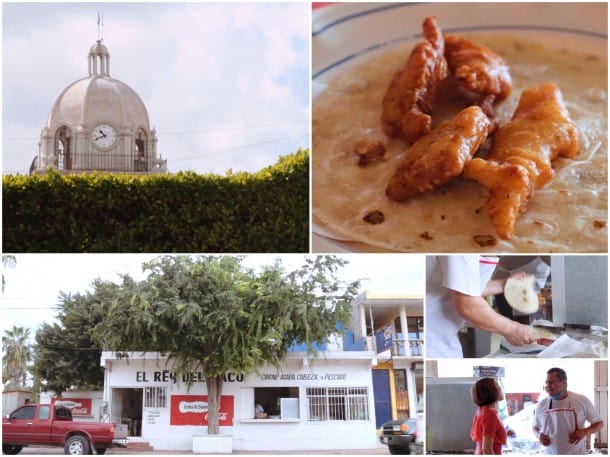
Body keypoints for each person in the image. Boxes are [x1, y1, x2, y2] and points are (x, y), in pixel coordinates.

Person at [426, 256, 536, 357]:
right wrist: (511, 329)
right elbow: (468, 304)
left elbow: (465, 287)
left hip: (445, 337)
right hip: (432, 342)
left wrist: (503, 285)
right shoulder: (464, 249)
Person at [533, 367, 603, 454]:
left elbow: (599, 423)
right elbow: (535, 427)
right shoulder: (542, 404)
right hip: (550, 453)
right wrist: (539, 435)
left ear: (564, 384)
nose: (548, 386)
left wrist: (584, 432)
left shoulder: (581, 400)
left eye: (552, 382)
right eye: (547, 383)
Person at [470, 377, 511, 454]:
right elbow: (487, 449)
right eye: (497, 385)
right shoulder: (490, 414)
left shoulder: (481, 411)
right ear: (490, 391)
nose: (501, 388)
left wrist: (504, 432)